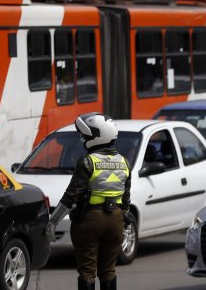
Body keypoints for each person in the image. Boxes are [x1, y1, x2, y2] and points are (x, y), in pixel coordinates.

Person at [46, 113, 131, 290]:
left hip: (90, 219)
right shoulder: (124, 162)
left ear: (96, 137)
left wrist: (53, 221)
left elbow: (71, 197)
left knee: (87, 271)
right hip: (116, 220)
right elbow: (126, 200)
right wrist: (123, 218)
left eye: (85, 135)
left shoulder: (87, 161)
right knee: (109, 270)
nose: (82, 138)